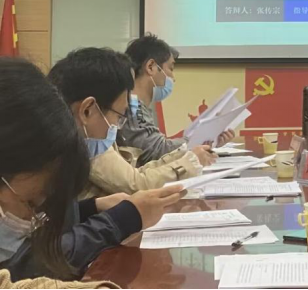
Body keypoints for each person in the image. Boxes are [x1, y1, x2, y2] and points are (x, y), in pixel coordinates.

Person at [0, 58, 183, 288]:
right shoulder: (46, 146)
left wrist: (91, 208)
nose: (33, 220)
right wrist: (122, 219)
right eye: (29, 202)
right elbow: (27, 265)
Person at [48, 48, 207, 199]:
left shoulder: (88, 137)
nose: (118, 127)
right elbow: (136, 184)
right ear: (87, 111)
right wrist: (188, 162)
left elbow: (134, 173)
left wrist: (96, 206)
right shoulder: (85, 145)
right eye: (119, 117)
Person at [121, 34, 233, 167]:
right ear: (151, 67)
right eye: (170, 68)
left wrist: (207, 140)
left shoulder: (138, 105)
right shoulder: (133, 107)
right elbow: (157, 151)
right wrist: (201, 138)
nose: (173, 78)